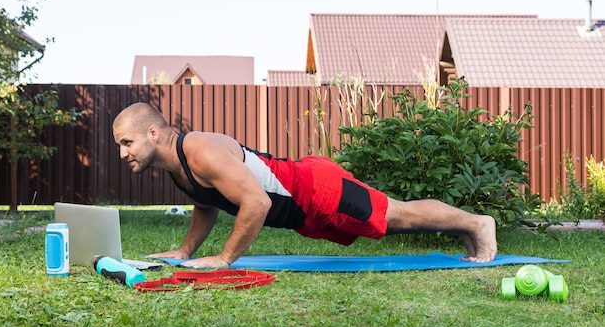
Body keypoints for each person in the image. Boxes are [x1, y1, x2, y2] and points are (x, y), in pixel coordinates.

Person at [113, 102, 497, 269]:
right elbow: (207, 202)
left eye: (127, 143)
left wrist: (224, 258)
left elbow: (257, 203)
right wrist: (186, 249)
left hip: (317, 191)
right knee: (397, 216)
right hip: (303, 203)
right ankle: (466, 227)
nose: (123, 153)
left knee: (398, 216)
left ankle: (479, 223)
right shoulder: (179, 166)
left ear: (153, 133)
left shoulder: (201, 151)